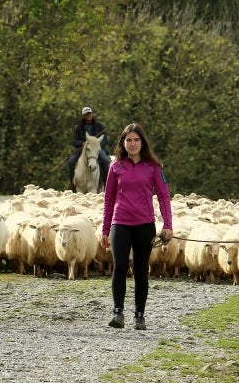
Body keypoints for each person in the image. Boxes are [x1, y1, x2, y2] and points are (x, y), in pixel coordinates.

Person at [100, 123, 173, 330]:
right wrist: (105, 229)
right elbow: (108, 199)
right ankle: (118, 313)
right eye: (128, 140)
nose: (132, 144)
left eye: (136, 140)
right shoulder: (115, 167)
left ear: (142, 142)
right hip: (120, 223)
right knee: (120, 266)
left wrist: (168, 225)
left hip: (144, 225)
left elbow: (164, 196)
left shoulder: (154, 167)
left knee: (141, 270)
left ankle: (139, 316)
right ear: (123, 143)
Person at [66, 106, 110, 191]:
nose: (88, 115)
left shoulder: (99, 125)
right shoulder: (78, 126)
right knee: (71, 162)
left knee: (105, 160)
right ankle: (72, 184)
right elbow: (74, 141)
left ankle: (107, 184)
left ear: (92, 114)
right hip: (84, 149)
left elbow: (105, 140)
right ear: (83, 116)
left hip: (96, 149)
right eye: (86, 114)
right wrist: (81, 143)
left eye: (89, 113)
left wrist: (98, 145)